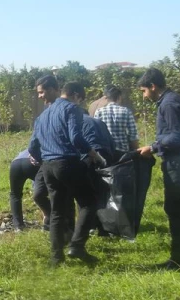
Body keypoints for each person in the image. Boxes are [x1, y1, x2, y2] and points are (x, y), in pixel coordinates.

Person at [28, 75, 98, 265]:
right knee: (89, 202)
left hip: (49, 167)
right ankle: (77, 246)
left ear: (54, 89)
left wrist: (46, 160)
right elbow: (76, 138)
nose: (41, 97)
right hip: (67, 162)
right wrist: (91, 152)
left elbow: (32, 147)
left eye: (42, 92)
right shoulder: (71, 109)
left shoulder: (42, 116)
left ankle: (56, 257)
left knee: (57, 210)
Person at [136, 67, 180, 270]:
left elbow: (177, 136)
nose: (144, 97)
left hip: (178, 161)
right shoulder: (172, 100)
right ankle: (179, 256)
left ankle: (178, 260)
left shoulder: (169, 103)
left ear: (153, 86)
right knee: (175, 208)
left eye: (144, 91)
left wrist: (152, 147)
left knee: (176, 209)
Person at [9, 149, 50, 230]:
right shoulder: (46, 149)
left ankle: (18, 226)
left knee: (15, 194)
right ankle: (47, 219)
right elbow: (38, 187)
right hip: (30, 163)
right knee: (40, 194)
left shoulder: (28, 149)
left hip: (15, 164)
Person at [94, 85, 139, 155]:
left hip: (106, 152)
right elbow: (133, 135)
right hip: (123, 153)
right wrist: (137, 151)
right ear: (119, 97)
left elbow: (96, 133)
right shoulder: (126, 111)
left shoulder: (99, 112)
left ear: (106, 98)